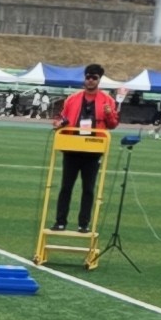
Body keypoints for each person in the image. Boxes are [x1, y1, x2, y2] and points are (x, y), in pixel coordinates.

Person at [51, 65, 117, 232]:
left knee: (88, 188)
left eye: (94, 77)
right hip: (72, 147)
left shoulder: (107, 100)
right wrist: (58, 124)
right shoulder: (73, 99)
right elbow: (61, 118)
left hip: (93, 149)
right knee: (66, 187)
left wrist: (109, 113)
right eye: (88, 77)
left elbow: (113, 124)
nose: (90, 80)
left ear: (99, 79)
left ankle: (83, 223)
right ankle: (60, 221)